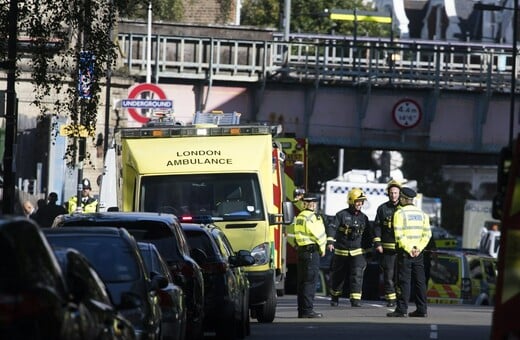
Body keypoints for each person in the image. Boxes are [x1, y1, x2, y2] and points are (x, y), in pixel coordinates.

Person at [387, 187, 432, 318]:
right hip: (419, 253)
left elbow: (399, 235)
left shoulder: (399, 213)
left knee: (404, 281)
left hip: (406, 253)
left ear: (404, 198)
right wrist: (418, 248)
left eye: (400, 197)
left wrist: (409, 249)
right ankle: (422, 309)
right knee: (420, 281)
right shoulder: (422, 214)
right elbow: (427, 234)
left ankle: (402, 309)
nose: (399, 199)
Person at [328, 188, 371, 308]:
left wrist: (369, 251)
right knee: (338, 276)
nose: (360, 204)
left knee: (357, 275)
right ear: (351, 201)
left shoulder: (364, 218)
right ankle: (335, 297)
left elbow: (368, 235)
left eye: (362, 202)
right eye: (358, 201)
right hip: (341, 251)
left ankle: (355, 300)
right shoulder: (341, 215)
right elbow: (332, 228)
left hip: (358, 252)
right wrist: (330, 241)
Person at [289, 193, 327, 318]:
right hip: (311, 252)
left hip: (302, 251)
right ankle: (307, 310)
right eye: (314, 203)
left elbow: (296, 234)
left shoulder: (300, 216)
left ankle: (302, 310)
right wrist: (322, 249)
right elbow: (319, 235)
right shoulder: (312, 217)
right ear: (312, 203)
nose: (315, 205)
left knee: (303, 282)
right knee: (310, 282)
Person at [373, 179, 401, 307]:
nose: (393, 195)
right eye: (391, 193)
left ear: (399, 193)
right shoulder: (382, 209)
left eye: (395, 193)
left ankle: (401, 299)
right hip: (387, 250)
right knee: (388, 275)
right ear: (388, 194)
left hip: (402, 249)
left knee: (400, 277)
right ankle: (391, 299)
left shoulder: (404, 208)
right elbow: (377, 227)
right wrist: (378, 244)